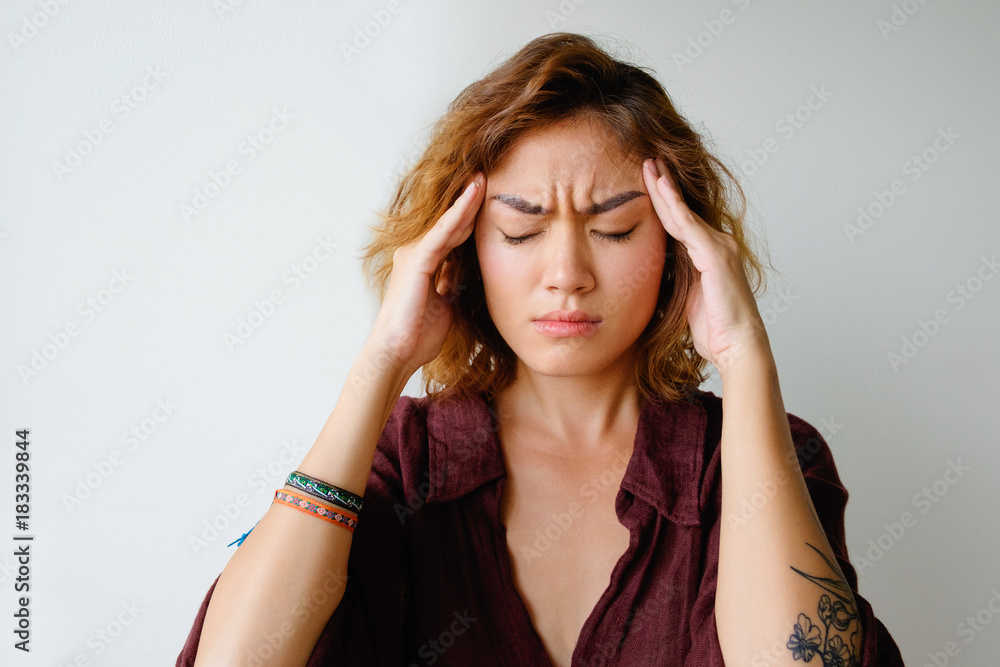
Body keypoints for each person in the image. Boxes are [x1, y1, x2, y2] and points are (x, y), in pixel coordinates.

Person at [177, 32, 905, 666]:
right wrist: (382, 359)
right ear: (462, 252)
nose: (567, 275)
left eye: (615, 229)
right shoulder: (403, 462)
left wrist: (745, 357)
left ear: (680, 249)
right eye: (521, 232)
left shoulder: (762, 453)